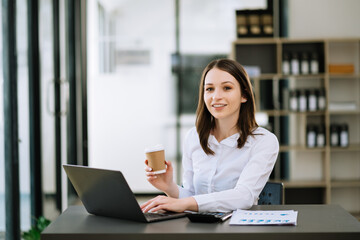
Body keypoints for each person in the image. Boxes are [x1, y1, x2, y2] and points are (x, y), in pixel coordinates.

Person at [141, 58, 279, 213]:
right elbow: (192, 197)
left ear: (244, 95)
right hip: (199, 229)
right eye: (210, 89)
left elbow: (244, 196)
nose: (216, 96)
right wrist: (169, 187)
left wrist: (187, 202)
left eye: (227, 88)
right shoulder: (193, 137)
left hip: (238, 231)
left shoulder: (264, 141)